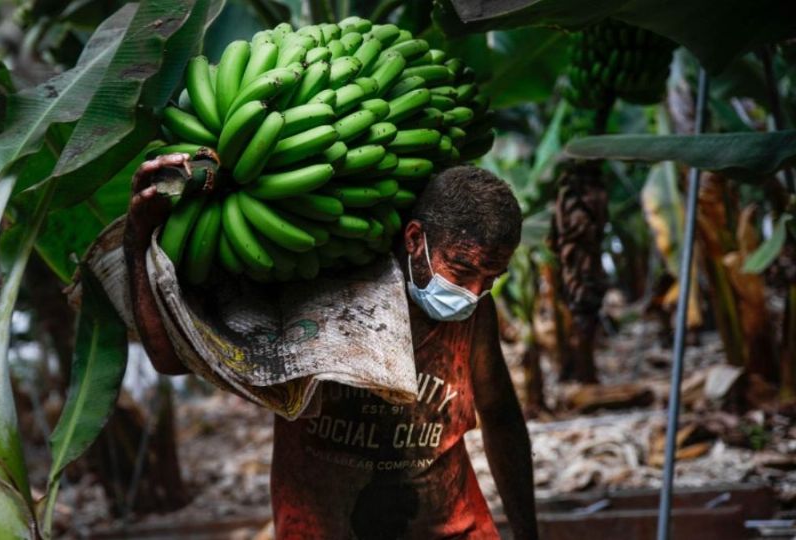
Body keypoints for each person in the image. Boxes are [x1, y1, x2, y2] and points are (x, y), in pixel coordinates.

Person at [126, 159, 538, 539]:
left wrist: (527, 532)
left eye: (491, 278)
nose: (473, 293)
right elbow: (169, 359)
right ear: (415, 238)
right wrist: (138, 238)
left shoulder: (475, 314)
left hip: (451, 524)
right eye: (462, 271)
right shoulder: (320, 290)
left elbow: (500, 415)